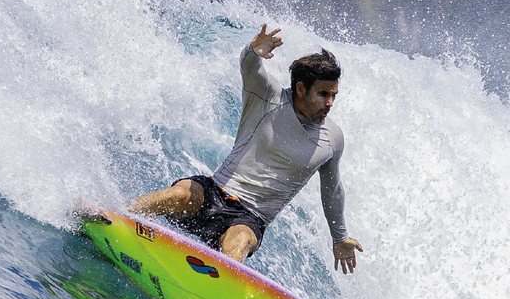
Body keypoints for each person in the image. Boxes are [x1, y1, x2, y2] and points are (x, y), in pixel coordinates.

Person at [128, 24, 362, 274]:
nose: (329, 103)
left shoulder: (333, 138)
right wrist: (253, 51)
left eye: (334, 95)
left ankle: (222, 291)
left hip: (250, 219)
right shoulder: (268, 96)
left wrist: (340, 237)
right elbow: (250, 67)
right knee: (179, 195)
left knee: (238, 241)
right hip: (214, 190)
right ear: (301, 88)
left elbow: (332, 188)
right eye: (323, 93)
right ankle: (116, 220)